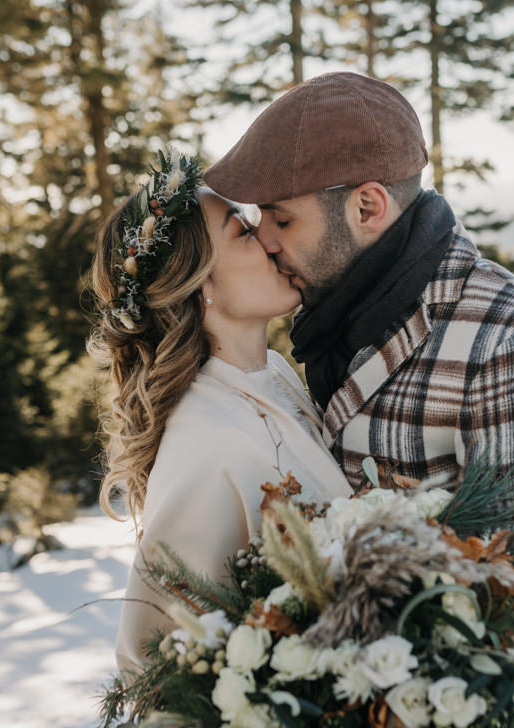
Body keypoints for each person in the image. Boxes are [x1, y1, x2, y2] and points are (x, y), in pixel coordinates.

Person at [205, 72, 514, 615]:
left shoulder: (513, 346)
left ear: (367, 208)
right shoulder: (332, 320)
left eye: (282, 218)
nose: (264, 240)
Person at [94, 151, 352, 678]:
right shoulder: (206, 442)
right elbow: (151, 665)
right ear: (202, 285)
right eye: (242, 232)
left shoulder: (274, 373)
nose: (269, 240)